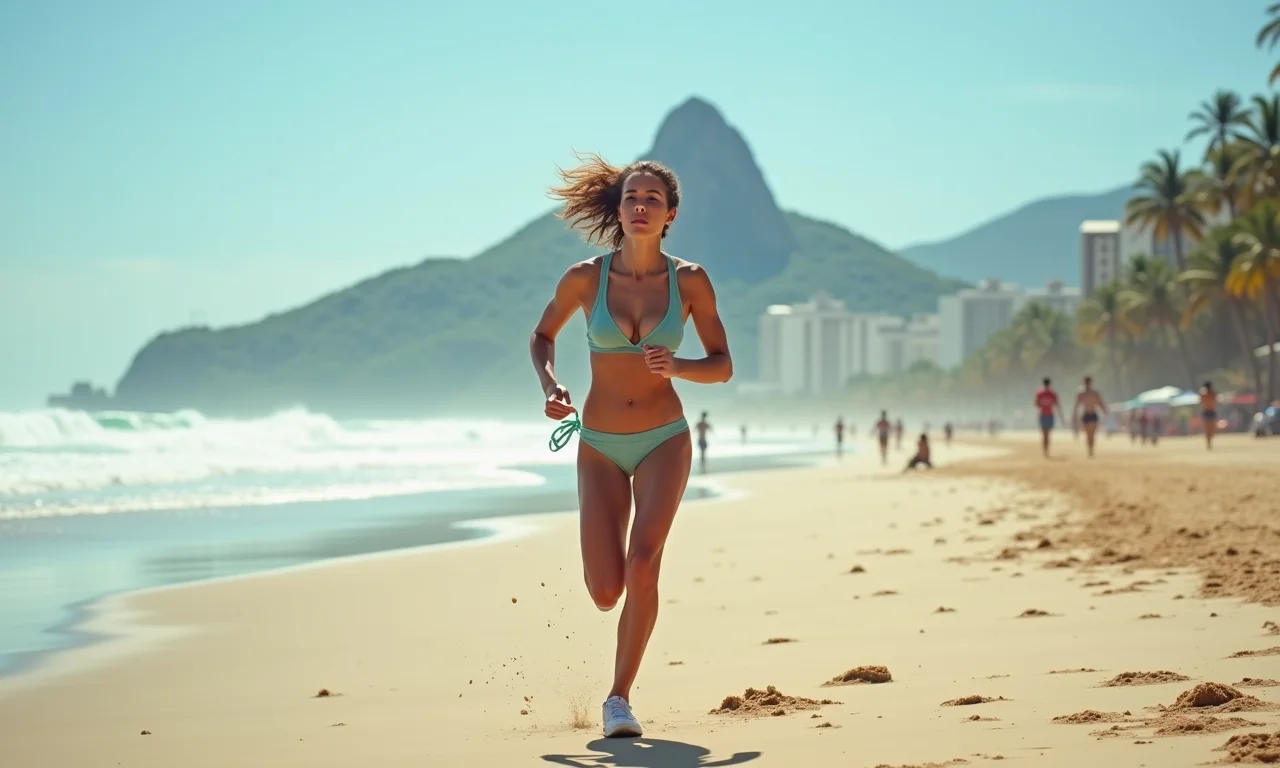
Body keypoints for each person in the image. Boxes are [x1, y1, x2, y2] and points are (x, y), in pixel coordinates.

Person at [531, 154, 733, 738]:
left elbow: (722, 366)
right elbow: (542, 335)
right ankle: (616, 639)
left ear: (670, 214)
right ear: (618, 211)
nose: (640, 206)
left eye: (651, 199)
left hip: (664, 441)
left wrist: (680, 365)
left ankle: (618, 699)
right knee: (605, 590)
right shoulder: (585, 279)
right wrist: (551, 385)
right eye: (630, 198)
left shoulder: (689, 281)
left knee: (643, 564)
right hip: (597, 444)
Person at [1072, 376, 1108, 458]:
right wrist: (1074, 415)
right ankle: (1089, 449)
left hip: (1093, 414)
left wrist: (1105, 410)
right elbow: (1076, 405)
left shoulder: (1095, 393)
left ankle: (1091, 449)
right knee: (1088, 434)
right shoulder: (1081, 393)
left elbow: (1100, 403)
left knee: (1092, 433)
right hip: (1086, 414)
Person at [1034, 377, 1066, 458]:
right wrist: (1062, 417)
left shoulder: (1041, 393)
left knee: (1045, 434)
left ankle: (1045, 450)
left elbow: (1036, 404)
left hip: (1044, 415)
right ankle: (1046, 450)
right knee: (1047, 434)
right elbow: (1057, 405)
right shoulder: (1050, 393)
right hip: (1047, 415)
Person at [1200, 380, 1219, 450]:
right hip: (1208, 411)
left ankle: (1209, 441)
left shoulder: (1211, 393)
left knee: (1211, 429)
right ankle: (1208, 442)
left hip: (1209, 411)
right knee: (1208, 428)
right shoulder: (1207, 394)